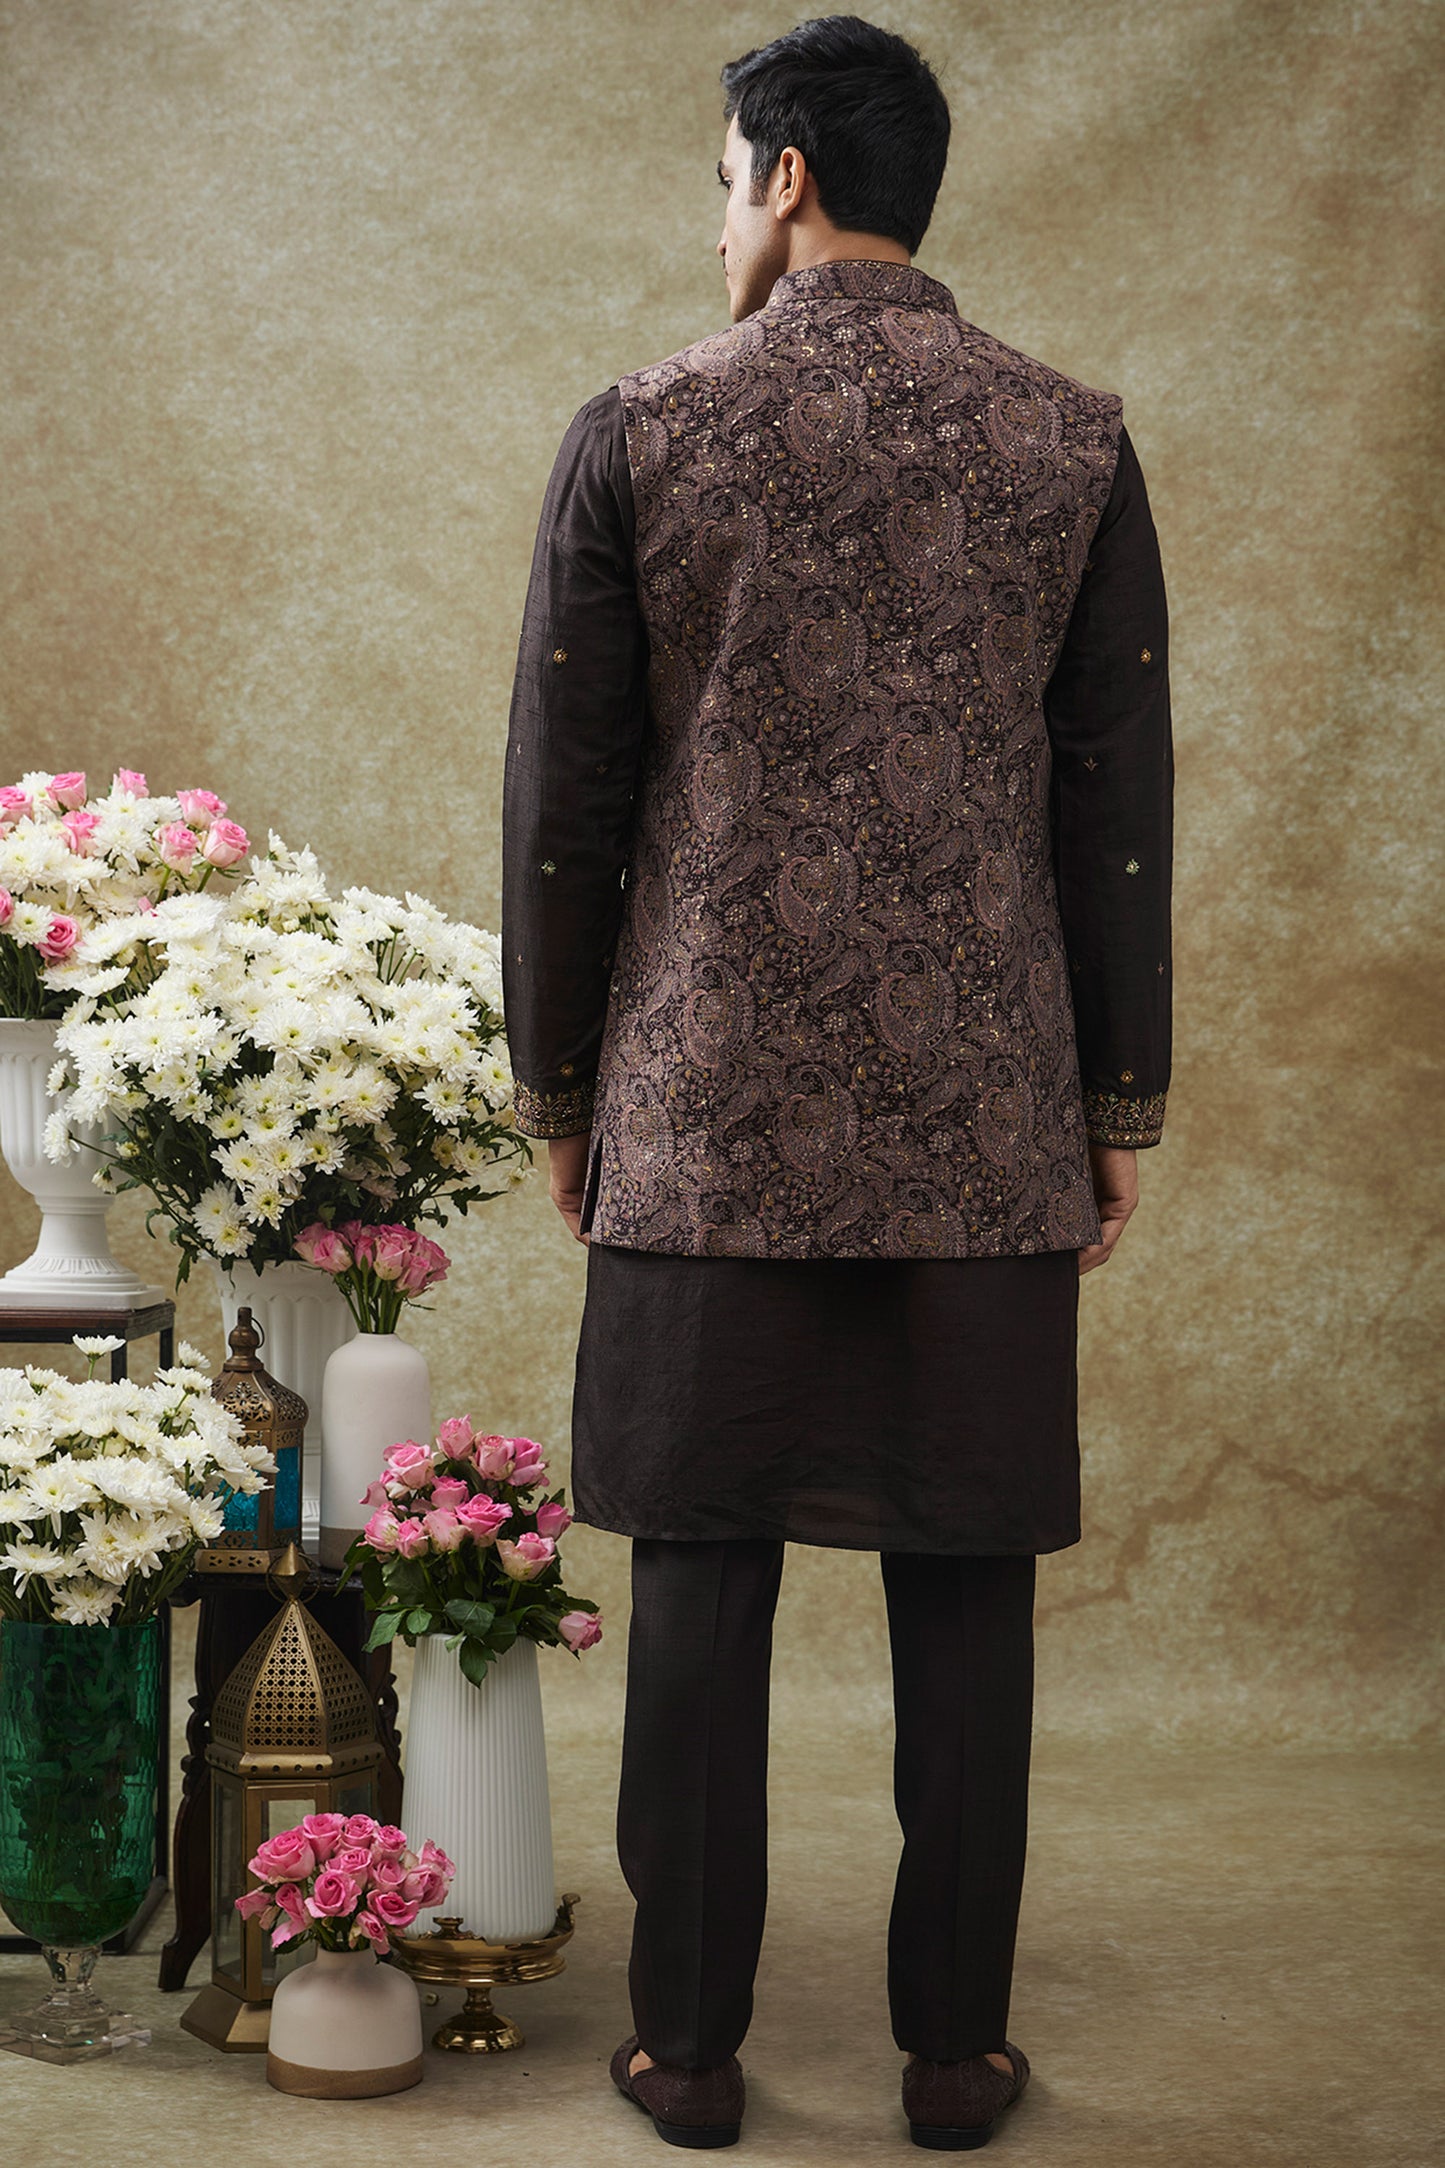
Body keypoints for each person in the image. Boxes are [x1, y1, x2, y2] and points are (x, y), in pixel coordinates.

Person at [500, 13, 1172, 2150]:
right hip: (985, 1118)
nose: (717, 220)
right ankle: (954, 2055)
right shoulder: (1072, 440)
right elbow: (1112, 808)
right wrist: (1114, 1103)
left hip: (704, 1112)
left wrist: (559, 1092)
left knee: (701, 1574)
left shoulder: (643, 428)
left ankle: (687, 2052)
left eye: (723, 179)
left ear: (786, 175)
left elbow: (566, 804)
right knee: (966, 1582)